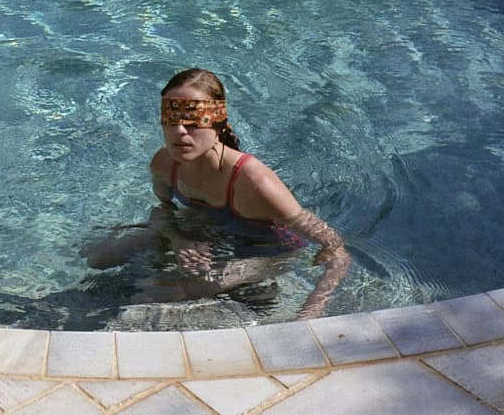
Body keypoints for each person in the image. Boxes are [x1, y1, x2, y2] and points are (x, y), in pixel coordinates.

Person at [85, 67, 351, 319]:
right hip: (209, 227)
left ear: (218, 122)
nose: (179, 131)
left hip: (273, 252)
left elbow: (336, 248)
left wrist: (311, 312)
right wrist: (179, 240)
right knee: (99, 257)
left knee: (167, 289)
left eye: (192, 121)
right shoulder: (165, 163)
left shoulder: (254, 181)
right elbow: (164, 211)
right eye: (171, 119)